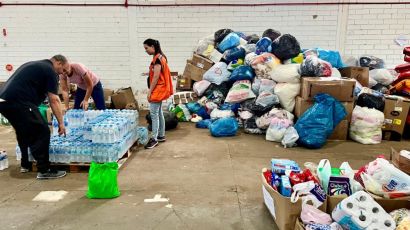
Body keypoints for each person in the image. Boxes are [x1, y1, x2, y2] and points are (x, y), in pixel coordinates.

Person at [0, 55, 68, 179]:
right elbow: (54, 99)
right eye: (63, 70)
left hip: (4, 101)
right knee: (42, 131)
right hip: (19, 101)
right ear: (58, 63)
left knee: (23, 131)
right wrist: (61, 123)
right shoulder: (50, 71)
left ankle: (25, 164)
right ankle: (44, 170)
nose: (63, 73)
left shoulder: (36, 64)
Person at [143, 39, 173, 149]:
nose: (145, 50)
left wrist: (149, 91)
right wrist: (149, 72)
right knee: (159, 113)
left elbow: (156, 77)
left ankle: (154, 139)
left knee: (154, 114)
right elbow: (157, 73)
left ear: (152, 47)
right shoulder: (161, 57)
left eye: (146, 48)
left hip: (158, 89)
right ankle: (161, 135)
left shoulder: (157, 59)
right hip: (161, 88)